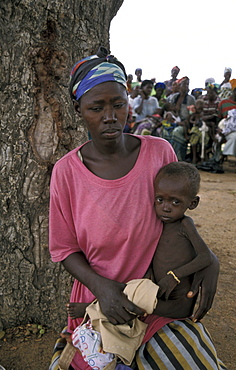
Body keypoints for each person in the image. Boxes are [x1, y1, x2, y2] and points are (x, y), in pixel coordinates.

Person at [49, 47, 220, 370]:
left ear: (128, 101)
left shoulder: (160, 154)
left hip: (157, 300)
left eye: (117, 104)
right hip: (103, 303)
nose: (109, 116)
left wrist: (208, 261)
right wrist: (102, 288)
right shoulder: (67, 172)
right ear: (78, 109)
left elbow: (177, 219)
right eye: (96, 107)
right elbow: (63, 249)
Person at [169, 77, 196, 160]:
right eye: (184, 84)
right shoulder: (174, 97)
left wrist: (185, 122)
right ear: (179, 86)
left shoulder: (191, 99)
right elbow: (169, 109)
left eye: (187, 84)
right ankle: (167, 156)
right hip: (174, 120)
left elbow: (192, 114)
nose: (186, 86)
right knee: (164, 131)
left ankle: (177, 157)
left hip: (185, 123)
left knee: (176, 132)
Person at [188, 100, 210, 164]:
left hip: (203, 128)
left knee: (203, 139)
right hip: (196, 128)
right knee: (194, 137)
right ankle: (194, 157)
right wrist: (194, 122)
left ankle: (203, 157)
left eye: (201, 108)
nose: (200, 109)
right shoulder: (195, 114)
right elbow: (190, 120)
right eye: (198, 108)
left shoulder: (204, 114)